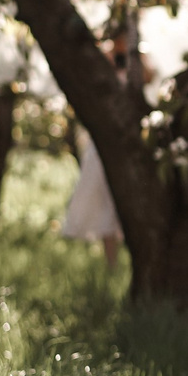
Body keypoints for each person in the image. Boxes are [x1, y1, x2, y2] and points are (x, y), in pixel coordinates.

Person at [61, 33, 134, 266]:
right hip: (104, 144)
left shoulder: (137, 61)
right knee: (104, 202)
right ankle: (111, 262)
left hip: (130, 143)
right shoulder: (103, 61)